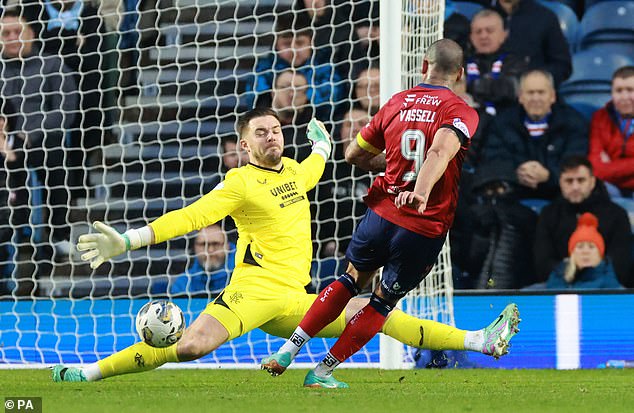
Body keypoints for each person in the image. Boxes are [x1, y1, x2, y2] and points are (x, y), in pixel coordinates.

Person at [52, 108, 519, 385]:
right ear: (243, 144)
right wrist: (131, 239)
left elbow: (316, 164)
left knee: (378, 313)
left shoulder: (296, 171)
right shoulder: (239, 182)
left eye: (275, 130)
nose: (271, 136)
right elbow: (193, 216)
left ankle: (479, 340)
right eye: (260, 132)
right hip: (251, 293)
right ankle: (91, 373)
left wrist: (322, 146)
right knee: (192, 347)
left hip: (299, 300)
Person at [261, 39, 520, 389]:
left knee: (349, 280)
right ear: (460, 73)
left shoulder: (396, 103)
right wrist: (420, 192)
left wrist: (393, 164)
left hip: (380, 213)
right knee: (382, 303)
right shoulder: (460, 110)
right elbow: (441, 152)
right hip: (421, 225)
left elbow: (353, 154)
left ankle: (287, 351)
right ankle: (322, 372)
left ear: (424, 66)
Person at [0, 9, 78, 259]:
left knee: (54, 154)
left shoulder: (52, 64)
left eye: (17, 31)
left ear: (31, 34)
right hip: (3, 141)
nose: (12, 37)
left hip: (42, 139)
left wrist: (30, 135)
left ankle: (59, 233)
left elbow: (66, 109)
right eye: (5, 33)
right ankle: (17, 231)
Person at [479, 69, 588, 201]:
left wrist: (549, 175)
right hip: (514, 192)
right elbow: (493, 157)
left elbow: (576, 161)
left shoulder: (574, 122)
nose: (536, 98)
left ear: (552, 96)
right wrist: (516, 173)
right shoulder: (502, 123)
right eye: (530, 93)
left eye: (541, 92)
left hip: (560, 194)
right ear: (520, 96)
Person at [534, 155, 632, 287]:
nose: (575, 187)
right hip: (558, 285)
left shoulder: (616, 214)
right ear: (560, 182)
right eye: (569, 181)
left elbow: (622, 264)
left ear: (592, 182)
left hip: (605, 288)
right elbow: (542, 262)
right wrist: (569, 273)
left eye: (581, 180)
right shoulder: (549, 214)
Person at [494, 0, 571, 86]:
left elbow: (562, 66)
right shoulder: (483, 19)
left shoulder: (545, 17)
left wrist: (534, 79)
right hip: (490, 93)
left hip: (534, 93)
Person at [466, 9, 527, 116]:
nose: (483, 36)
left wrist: (472, 85)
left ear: (504, 34)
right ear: (471, 36)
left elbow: (510, 90)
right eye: (478, 31)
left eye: (489, 31)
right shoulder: (461, 63)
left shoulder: (516, 62)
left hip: (506, 124)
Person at [151, 224, 235, 296]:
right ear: (195, 247)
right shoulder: (184, 282)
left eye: (215, 244)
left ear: (227, 246)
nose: (210, 250)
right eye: (203, 244)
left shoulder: (242, 276)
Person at [588, 66, 634, 198]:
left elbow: (604, 169)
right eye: (619, 91)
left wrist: (610, 165)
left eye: (630, 90)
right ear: (612, 93)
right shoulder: (599, 118)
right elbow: (596, 168)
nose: (624, 96)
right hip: (609, 187)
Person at [545, 213, 624, 289]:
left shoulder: (610, 284)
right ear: (572, 253)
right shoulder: (557, 276)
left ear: (600, 255)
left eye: (591, 247)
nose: (585, 252)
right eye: (580, 247)